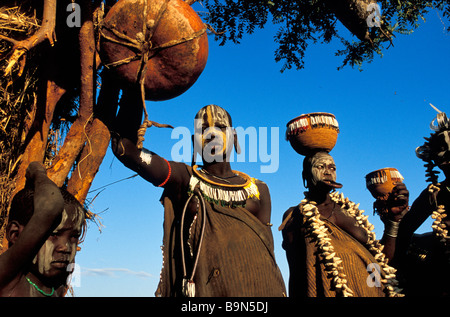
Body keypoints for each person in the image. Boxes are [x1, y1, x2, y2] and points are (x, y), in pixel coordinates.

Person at [111, 99, 286, 297]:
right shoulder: (184, 178)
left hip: (264, 289)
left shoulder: (258, 189)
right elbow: (125, 150)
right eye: (203, 130)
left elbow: (268, 251)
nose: (212, 134)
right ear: (195, 141)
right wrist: (133, 87)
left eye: (220, 127)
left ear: (234, 137)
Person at [280, 151, 406, 297]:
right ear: (305, 176)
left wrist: (393, 220)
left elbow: (383, 259)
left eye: (332, 168)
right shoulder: (296, 215)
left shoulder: (350, 212)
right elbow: (296, 270)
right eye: (320, 167)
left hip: (372, 290)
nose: (328, 172)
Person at [0, 162, 86, 297]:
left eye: (73, 236)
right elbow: (50, 204)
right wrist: (37, 171)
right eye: (53, 234)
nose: (65, 247)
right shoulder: (8, 278)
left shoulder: (57, 285)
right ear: (15, 234)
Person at [394, 110, 450, 296]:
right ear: (435, 159)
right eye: (442, 149)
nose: (447, 153)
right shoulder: (434, 194)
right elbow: (404, 230)